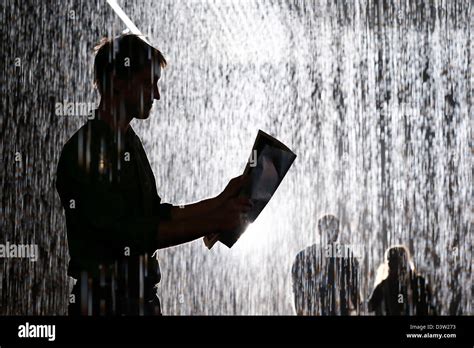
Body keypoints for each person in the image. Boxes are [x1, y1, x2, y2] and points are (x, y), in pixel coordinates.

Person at [56, 34, 252, 315]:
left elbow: (155, 215)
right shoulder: (86, 151)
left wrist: (220, 202)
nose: (157, 94)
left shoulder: (130, 143)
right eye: (149, 83)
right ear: (118, 82)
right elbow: (130, 235)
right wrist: (214, 219)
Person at [291, 215, 359, 315]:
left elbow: (297, 292)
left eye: (334, 229)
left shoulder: (303, 257)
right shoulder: (345, 255)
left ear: (319, 230)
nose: (334, 233)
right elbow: (354, 291)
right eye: (333, 229)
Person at [368, 245, 437, 315]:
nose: (390, 266)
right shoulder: (383, 286)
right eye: (390, 263)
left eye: (394, 262)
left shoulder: (419, 283)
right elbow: (369, 306)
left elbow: (430, 307)